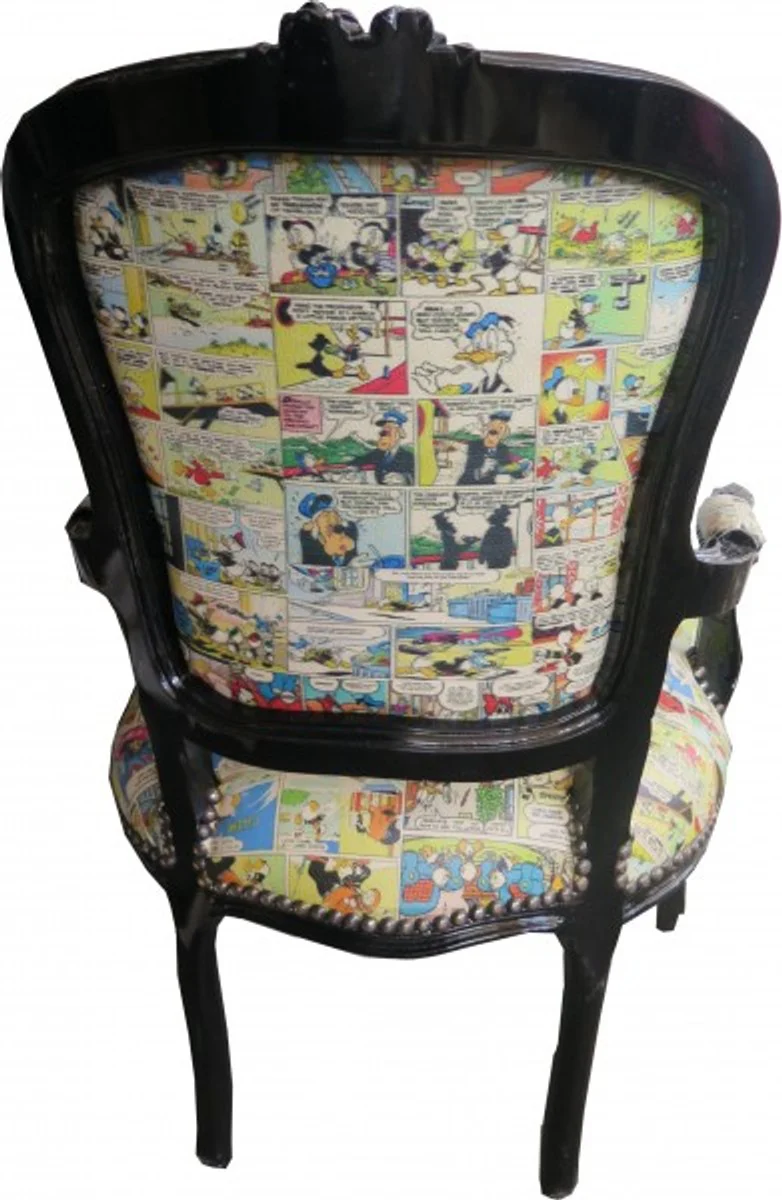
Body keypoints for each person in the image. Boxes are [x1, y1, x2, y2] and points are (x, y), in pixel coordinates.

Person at [350, 409, 414, 484]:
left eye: (389, 430)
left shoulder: (409, 457)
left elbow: (416, 475)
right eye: (383, 429)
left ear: (400, 433)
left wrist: (404, 478)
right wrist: (353, 466)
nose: (383, 434)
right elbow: (359, 461)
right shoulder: (377, 453)